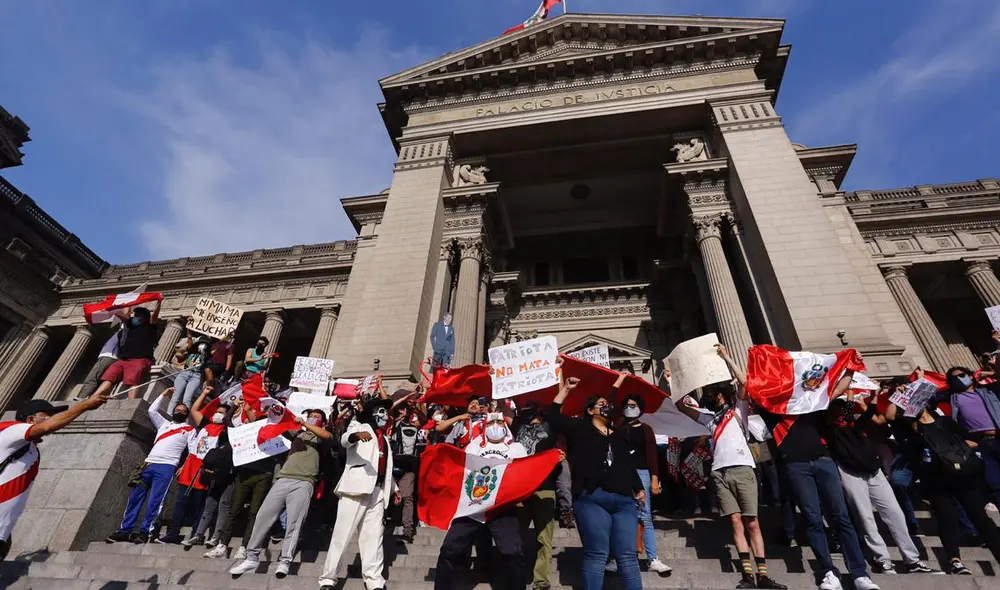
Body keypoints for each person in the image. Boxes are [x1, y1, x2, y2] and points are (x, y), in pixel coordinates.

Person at [756, 371, 880, 590]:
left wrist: (849, 368)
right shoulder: (772, 411)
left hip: (824, 462)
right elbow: (753, 388)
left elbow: (838, 391)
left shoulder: (811, 404)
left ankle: (860, 574)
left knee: (841, 517)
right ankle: (828, 572)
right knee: (812, 519)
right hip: (795, 466)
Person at [677, 344, 786, 589]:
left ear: (724, 394)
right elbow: (682, 407)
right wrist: (678, 381)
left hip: (742, 468)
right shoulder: (709, 417)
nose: (714, 397)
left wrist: (726, 356)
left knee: (752, 521)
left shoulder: (739, 409)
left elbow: (744, 382)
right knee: (736, 521)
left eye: (717, 393)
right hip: (719, 472)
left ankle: (764, 574)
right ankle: (747, 574)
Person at [887, 377, 1000, 575]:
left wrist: (960, 451)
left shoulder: (945, 422)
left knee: (981, 519)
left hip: (962, 476)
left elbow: (971, 440)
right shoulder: (910, 427)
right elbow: (888, 416)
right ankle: (955, 561)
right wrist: (899, 396)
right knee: (946, 517)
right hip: (935, 480)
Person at [544, 371, 645, 590]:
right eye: (601, 404)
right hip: (592, 499)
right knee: (597, 553)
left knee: (628, 556)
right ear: (590, 411)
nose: (606, 407)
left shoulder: (618, 434)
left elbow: (626, 463)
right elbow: (552, 415)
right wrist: (567, 389)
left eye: (607, 404)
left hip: (624, 501)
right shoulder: (578, 429)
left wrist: (638, 487)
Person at [822, 395, 936, 575]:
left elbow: (869, 415)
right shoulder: (830, 430)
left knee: (895, 513)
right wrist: (850, 396)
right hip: (851, 473)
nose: (844, 411)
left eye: (843, 407)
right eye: (838, 408)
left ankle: (912, 560)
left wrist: (873, 397)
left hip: (874, 472)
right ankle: (882, 560)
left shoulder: (856, 426)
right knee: (865, 517)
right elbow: (843, 415)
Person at [0, 394, 108, 561]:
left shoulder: (32, 451)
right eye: (47, 416)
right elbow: (48, 427)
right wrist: (84, 406)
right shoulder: (12, 430)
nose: (52, 419)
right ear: (30, 419)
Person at [229, 409, 333, 578]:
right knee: (263, 516)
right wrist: (274, 410)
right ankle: (251, 557)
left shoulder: (322, 437)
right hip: (283, 479)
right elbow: (280, 424)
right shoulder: (297, 433)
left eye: (317, 417)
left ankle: (285, 561)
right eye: (311, 416)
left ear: (324, 421)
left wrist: (306, 423)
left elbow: (327, 437)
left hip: (304, 482)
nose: (313, 418)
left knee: (294, 522)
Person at [434, 412, 527, 590]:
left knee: (513, 551)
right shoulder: (473, 446)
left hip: (502, 507)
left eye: (500, 421)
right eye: (492, 422)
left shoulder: (516, 448)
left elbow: (526, 471)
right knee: (449, 549)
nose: (496, 425)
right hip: (473, 508)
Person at [318, 398, 399, 590]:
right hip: (356, 487)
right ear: (372, 413)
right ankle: (328, 578)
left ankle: (374, 580)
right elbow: (345, 440)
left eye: (386, 412)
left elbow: (384, 466)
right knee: (342, 534)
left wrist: (394, 488)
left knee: (374, 536)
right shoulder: (358, 425)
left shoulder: (385, 439)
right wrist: (356, 436)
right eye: (381, 411)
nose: (385, 416)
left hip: (378, 491)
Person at [106, 388, 196, 543]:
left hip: (167, 467)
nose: (180, 411)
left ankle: (145, 532)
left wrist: (184, 465)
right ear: (173, 411)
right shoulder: (163, 424)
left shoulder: (189, 429)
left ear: (186, 415)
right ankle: (125, 530)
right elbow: (152, 410)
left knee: (156, 501)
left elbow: (193, 450)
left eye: (183, 411)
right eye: (178, 409)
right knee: (134, 498)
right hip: (148, 464)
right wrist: (163, 394)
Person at [161, 384, 230, 545]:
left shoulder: (226, 432)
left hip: (206, 471)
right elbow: (194, 410)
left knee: (199, 503)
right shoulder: (205, 424)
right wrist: (204, 393)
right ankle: (172, 533)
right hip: (191, 466)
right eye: (216, 412)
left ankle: (195, 534)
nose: (217, 415)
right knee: (180, 502)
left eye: (221, 413)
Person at [618, 391, 672, 577]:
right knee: (620, 517)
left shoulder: (646, 429)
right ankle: (616, 558)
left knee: (645, 516)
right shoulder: (617, 427)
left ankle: (653, 558)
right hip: (621, 475)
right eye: (627, 405)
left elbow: (652, 456)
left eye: (633, 405)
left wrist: (654, 479)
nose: (629, 408)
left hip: (642, 474)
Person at [945, 338, 1000, 509]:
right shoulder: (952, 398)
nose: (960, 379)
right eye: (955, 378)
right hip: (981, 444)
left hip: (998, 437)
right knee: (995, 483)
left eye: (962, 375)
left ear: (970, 375)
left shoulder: (988, 391)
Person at [514, 404, 562, 590]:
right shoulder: (518, 429)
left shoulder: (550, 431)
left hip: (545, 490)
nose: (534, 419)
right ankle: (516, 576)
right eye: (529, 416)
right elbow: (504, 405)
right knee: (515, 537)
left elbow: (556, 408)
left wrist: (564, 388)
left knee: (544, 539)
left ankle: (541, 580)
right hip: (520, 491)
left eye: (537, 416)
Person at [93, 302, 162, 399]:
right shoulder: (131, 325)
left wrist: (159, 302)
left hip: (139, 359)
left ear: (143, 317)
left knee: (132, 382)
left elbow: (155, 314)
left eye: (137, 316)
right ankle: (94, 397)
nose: (134, 317)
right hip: (123, 359)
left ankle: (131, 402)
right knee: (108, 377)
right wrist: (113, 309)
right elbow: (123, 316)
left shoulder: (150, 327)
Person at [389, 394, 425, 543]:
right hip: (392, 464)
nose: (403, 411)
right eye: (401, 409)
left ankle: (407, 530)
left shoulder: (413, 425)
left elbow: (423, 420)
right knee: (388, 496)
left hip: (408, 466)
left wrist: (414, 407)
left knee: (407, 496)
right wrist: (402, 401)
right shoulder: (392, 424)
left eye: (405, 409)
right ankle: (389, 522)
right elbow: (389, 409)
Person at [79, 323, 124, 397]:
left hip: (109, 356)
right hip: (108, 357)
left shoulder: (123, 332)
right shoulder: (119, 332)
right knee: (98, 379)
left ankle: (83, 397)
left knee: (93, 378)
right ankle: (89, 397)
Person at [169, 333, 209, 412]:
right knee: (175, 397)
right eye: (201, 343)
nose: (202, 345)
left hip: (196, 376)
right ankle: (169, 415)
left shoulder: (208, 355)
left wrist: (205, 351)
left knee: (187, 399)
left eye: (204, 344)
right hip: (184, 373)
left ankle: (184, 419)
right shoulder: (191, 350)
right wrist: (189, 331)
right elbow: (189, 338)